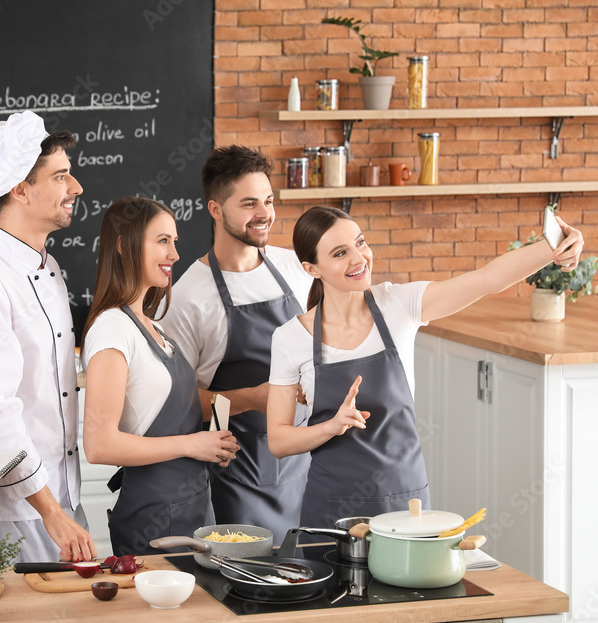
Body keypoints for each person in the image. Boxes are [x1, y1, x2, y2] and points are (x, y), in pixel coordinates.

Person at [267, 206, 584, 529]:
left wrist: (553, 247)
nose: (359, 258)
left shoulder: (400, 305)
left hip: (406, 503)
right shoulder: (290, 338)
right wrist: (330, 426)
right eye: (340, 253)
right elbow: (278, 441)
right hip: (331, 509)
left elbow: (488, 279)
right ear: (311, 268)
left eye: (360, 243)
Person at [0, 110, 96, 562]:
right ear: (21, 188)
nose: (77, 188)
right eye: (62, 176)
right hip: (16, 511)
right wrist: (49, 509)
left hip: (62, 499)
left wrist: (61, 507)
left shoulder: (48, 267)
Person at [160, 145, 312, 539]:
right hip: (241, 478)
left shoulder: (295, 268)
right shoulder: (189, 297)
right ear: (215, 209)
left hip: (306, 465)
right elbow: (178, 405)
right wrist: (257, 397)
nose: (264, 214)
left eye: (268, 200)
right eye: (249, 204)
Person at [81, 197, 239, 555]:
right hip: (153, 518)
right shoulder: (112, 329)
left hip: (193, 507)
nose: (175, 254)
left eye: (175, 242)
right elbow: (99, 444)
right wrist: (190, 445)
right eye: (162, 241)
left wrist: (211, 445)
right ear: (124, 245)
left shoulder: (152, 328)